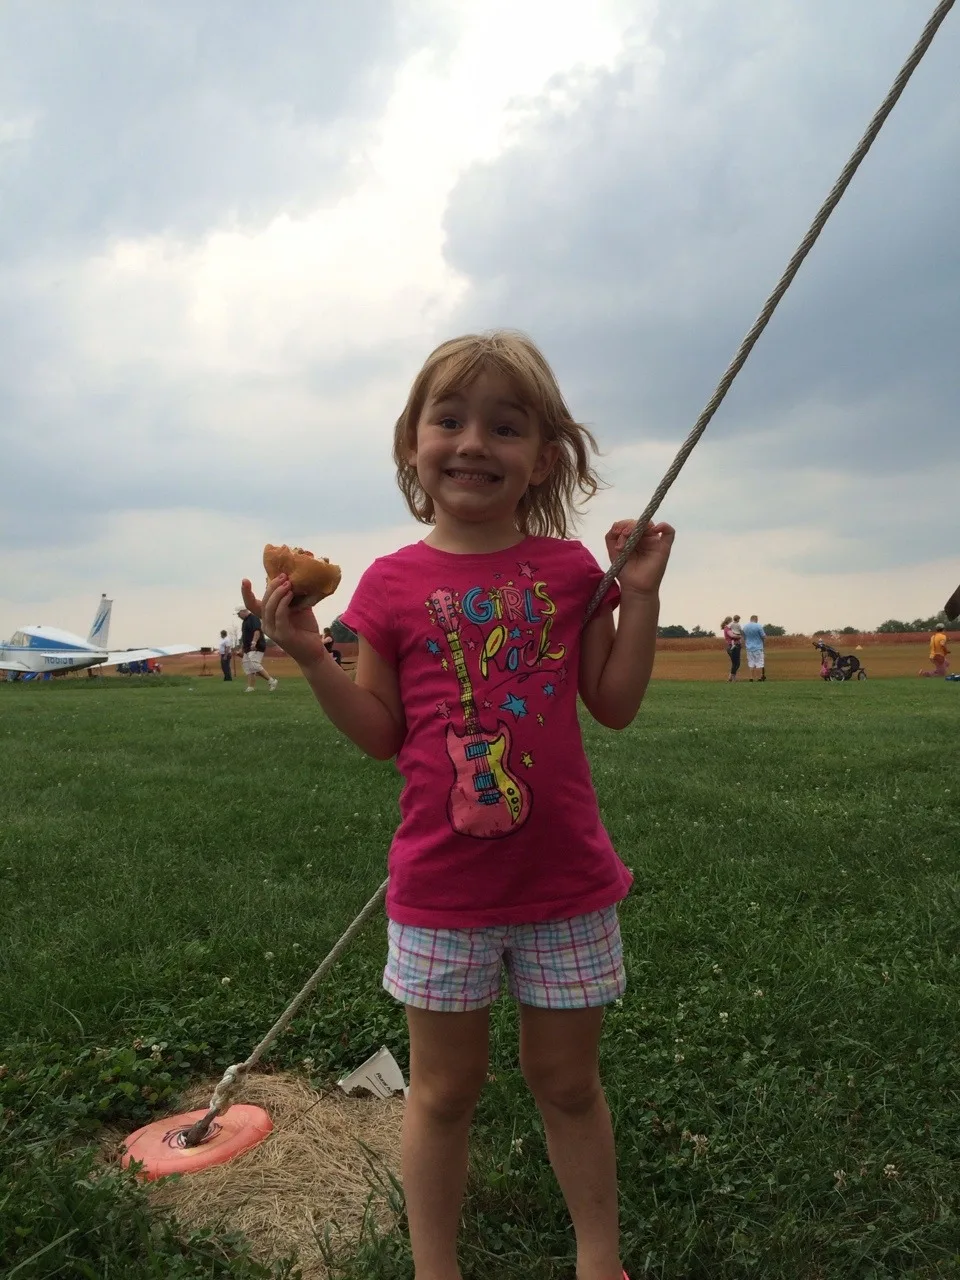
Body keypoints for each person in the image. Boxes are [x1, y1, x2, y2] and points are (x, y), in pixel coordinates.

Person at [242, 330, 675, 1280]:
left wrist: (636, 596)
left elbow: (617, 704)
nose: (474, 441)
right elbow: (380, 730)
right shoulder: (391, 584)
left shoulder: (569, 573)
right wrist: (314, 656)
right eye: (450, 419)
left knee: (567, 1084)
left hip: (567, 885)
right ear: (411, 442)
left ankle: (598, 1259)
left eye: (506, 426)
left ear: (543, 458)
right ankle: (434, 1267)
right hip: (441, 892)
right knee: (442, 1093)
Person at [236, 607, 278, 692]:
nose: (238, 616)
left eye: (238, 614)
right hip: (248, 648)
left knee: (254, 665)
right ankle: (251, 687)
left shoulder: (253, 618)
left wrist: (254, 642)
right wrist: (242, 649)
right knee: (248, 667)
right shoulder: (245, 622)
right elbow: (245, 637)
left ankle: (272, 681)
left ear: (243, 611)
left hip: (256, 647)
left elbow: (257, 631)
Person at [741, 614, 766, 681]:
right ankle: (759, 677)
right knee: (759, 663)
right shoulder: (758, 626)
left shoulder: (745, 627)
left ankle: (751, 677)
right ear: (755, 619)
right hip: (758, 647)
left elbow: (744, 637)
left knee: (751, 663)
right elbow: (763, 636)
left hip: (749, 647)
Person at [722, 615, 740, 682]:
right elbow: (732, 635)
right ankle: (733, 678)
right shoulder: (727, 629)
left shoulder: (727, 628)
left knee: (735, 663)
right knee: (736, 663)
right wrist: (739, 636)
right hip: (733, 647)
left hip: (731, 646)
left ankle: (730, 677)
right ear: (729, 621)